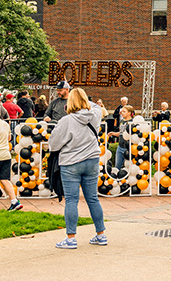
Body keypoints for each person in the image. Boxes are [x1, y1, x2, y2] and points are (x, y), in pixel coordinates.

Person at [48, 87, 107, 249]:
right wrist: (85, 100)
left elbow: (53, 145)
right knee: (93, 198)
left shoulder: (66, 121)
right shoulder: (95, 116)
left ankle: (71, 237)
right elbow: (96, 107)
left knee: (72, 200)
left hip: (71, 162)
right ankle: (101, 234)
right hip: (92, 160)